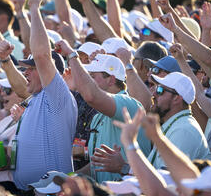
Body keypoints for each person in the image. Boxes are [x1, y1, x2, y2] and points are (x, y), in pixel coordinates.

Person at [6, 0, 77, 189]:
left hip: (51, 194)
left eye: (31, 69)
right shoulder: (35, 98)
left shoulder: (57, 95)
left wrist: (34, 8)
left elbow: (42, 55)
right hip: (29, 193)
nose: (26, 73)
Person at [56, 42, 149, 183]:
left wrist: (71, 55)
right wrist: (69, 179)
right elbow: (96, 164)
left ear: (111, 79)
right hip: (108, 193)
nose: (89, 81)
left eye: (93, 76)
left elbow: (91, 96)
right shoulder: (98, 116)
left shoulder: (128, 104)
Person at [146, 73, 211, 168]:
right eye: (156, 88)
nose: (154, 94)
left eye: (160, 90)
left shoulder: (183, 130)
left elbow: (167, 179)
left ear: (177, 98)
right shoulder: (175, 124)